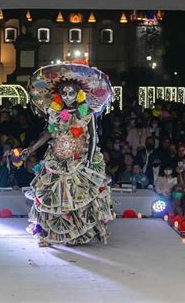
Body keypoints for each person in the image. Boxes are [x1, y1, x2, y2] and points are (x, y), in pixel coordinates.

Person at [23, 64, 113, 246]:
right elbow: (48, 133)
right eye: (64, 93)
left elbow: (94, 136)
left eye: (71, 93)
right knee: (49, 195)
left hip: (78, 159)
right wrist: (31, 149)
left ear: (78, 93)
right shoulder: (55, 113)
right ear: (59, 95)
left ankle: (77, 235)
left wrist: (89, 160)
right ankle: (46, 234)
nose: (68, 97)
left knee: (78, 197)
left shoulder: (87, 112)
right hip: (55, 159)